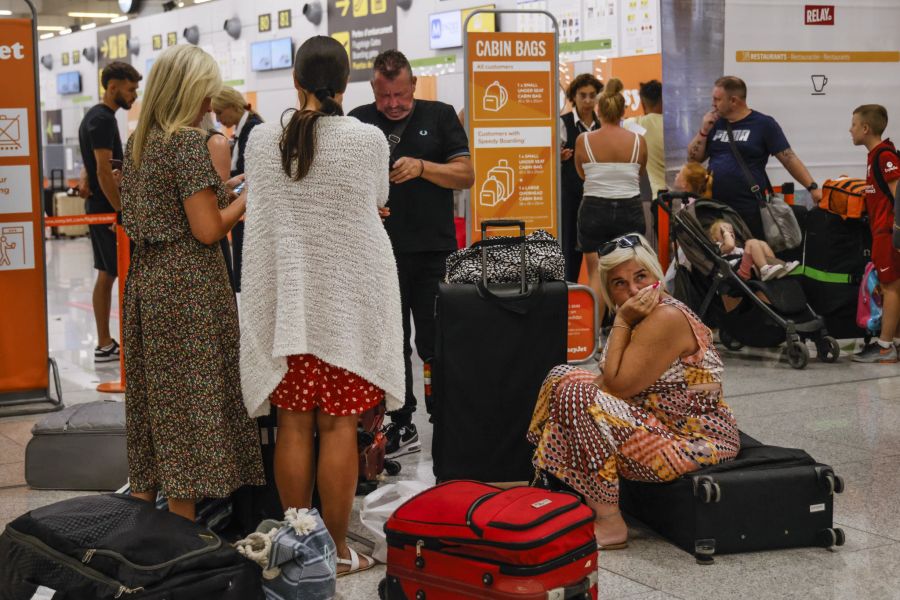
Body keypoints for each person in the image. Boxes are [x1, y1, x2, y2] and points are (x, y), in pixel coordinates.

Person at [240, 36, 404, 576]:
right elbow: (377, 198)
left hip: (289, 308)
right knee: (339, 427)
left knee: (292, 425)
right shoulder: (368, 140)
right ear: (347, 81)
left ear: (295, 80)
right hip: (348, 307)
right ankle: (333, 552)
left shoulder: (263, 140)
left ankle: (297, 548)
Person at [120, 45, 264, 522]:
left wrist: (227, 188)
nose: (210, 102)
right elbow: (207, 229)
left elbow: (162, 206)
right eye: (204, 91)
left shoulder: (141, 140)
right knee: (189, 407)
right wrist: (252, 195)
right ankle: (180, 543)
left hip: (147, 283)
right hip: (188, 287)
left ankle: (141, 528)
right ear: (189, 90)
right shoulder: (185, 142)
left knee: (153, 408)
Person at [528, 233, 740, 548]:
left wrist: (623, 318)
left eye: (641, 276)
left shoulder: (664, 316)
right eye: (619, 283)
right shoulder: (644, 314)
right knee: (561, 377)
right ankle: (548, 481)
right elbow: (608, 383)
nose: (634, 290)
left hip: (695, 444)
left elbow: (614, 386)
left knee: (576, 394)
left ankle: (609, 521)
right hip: (659, 426)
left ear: (656, 273)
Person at [349, 49, 474, 458]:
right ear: (374, 90)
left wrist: (423, 168)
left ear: (414, 86)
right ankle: (402, 422)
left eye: (400, 94)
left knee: (438, 342)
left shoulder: (439, 116)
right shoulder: (358, 120)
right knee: (391, 342)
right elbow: (344, 184)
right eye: (385, 96)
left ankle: (446, 416)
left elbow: (466, 174)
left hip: (435, 251)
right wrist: (366, 204)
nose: (393, 104)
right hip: (378, 253)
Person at [688, 76, 822, 240]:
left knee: (751, 255)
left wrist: (812, 187)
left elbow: (789, 158)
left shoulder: (763, 124)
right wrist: (703, 130)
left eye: (717, 99)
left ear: (734, 101)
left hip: (748, 208)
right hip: (715, 206)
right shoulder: (715, 123)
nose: (713, 104)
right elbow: (694, 159)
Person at [77, 61, 141, 363]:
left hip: (101, 208)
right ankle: (105, 342)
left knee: (108, 274)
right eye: (130, 89)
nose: (134, 95)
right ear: (112, 86)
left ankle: (105, 342)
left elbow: (95, 168)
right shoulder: (102, 119)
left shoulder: (96, 116)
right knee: (113, 274)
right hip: (106, 212)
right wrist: (122, 212)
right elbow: (104, 170)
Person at [574, 78, 648, 315]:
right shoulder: (638, 141)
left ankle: (593, 338)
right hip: (630, 208)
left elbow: (581, 173)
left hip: (594, 209)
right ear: (623, 110)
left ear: (599, 109)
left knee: (596, 274)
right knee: (631, 273)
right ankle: (629, 329)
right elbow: (639, 172)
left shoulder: (584, 140)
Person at [675, 162, 798, 281]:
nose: (729, 231)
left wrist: (727, 233)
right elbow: (729, 246)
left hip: (740, 264)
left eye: (678, 173)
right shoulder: (719, 246)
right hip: (735, 269)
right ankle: (765, 268)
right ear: (714, 237)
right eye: (724, 231)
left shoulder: (692, 207)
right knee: (752, 243)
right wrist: (726, 234)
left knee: (761, 244)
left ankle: (775, 266)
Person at [849, 104, 900, 363]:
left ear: (866, 128)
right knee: (892, 287)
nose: (851, 129)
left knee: (891, 288)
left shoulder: (884, 156)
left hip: (888, 232)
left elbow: (898, 194)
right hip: (881, 230)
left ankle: (885, 346)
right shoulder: (874, 156)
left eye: (854, 125)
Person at [211, 87, 264, 292]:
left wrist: (236, 194)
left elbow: (252, 172)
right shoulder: (245, 129)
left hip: (246, 207)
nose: (218, 118)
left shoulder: (252, 129)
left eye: (220, 112)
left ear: (233, 107)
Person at [560, 74, 602, 282]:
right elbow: (544, 162)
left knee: (601, 259)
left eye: (592, 96)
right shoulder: (562, 123)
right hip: (570, 200)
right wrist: (557, 158)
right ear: (573, 97)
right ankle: (568, 308)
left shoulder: (602, 126)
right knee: (570, 256)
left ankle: (603, 313)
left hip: (597, 201)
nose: (587, 101)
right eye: (582, 95)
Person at [625, 79, 665, 199]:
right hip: (682, 193)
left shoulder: (636, 125)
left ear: (643, 103)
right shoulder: (675, 123)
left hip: (657, 196)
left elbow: (620, 123)